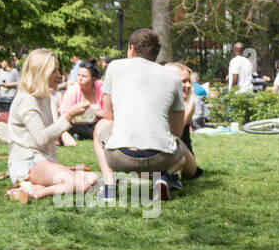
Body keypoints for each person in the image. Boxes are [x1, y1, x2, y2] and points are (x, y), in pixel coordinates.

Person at [92, 28, 188, 202]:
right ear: (156, 53)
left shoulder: (115, 67)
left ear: (131, 49)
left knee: (100, 126)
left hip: (120, 156)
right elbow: (177, 131)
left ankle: (109, 188)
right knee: (181, 149)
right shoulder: (173, 78)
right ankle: (163, 176)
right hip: (161, 158)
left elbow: (108, 115)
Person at [1, 48, 98, 203]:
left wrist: (70, 121)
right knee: (81, 183)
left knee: (93, 178)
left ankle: (29, 188)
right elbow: (41, 138)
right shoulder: (27, 100)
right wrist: (68, 116)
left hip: (43, 160)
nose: (58, 75)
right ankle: (36, 193)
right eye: (54, 71)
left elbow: (51, 134)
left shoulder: (44, 96)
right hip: (28, 161)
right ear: (41, 72)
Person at [164, 61, 202, 185]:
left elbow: (175, 132)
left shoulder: (190, 104)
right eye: (183, 81)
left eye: (189, 81)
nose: (188, 85)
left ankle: (167, 176)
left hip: (183, 156)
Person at [59, 60, 103, 140]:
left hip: (96, 123)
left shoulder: (100, 89)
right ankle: (94, 135)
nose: (80, 78)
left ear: (93, 79)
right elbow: (64, 114)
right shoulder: (73, 91)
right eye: (78, 75)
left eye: (84, 76)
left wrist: (102, 114)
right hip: (77, 124)